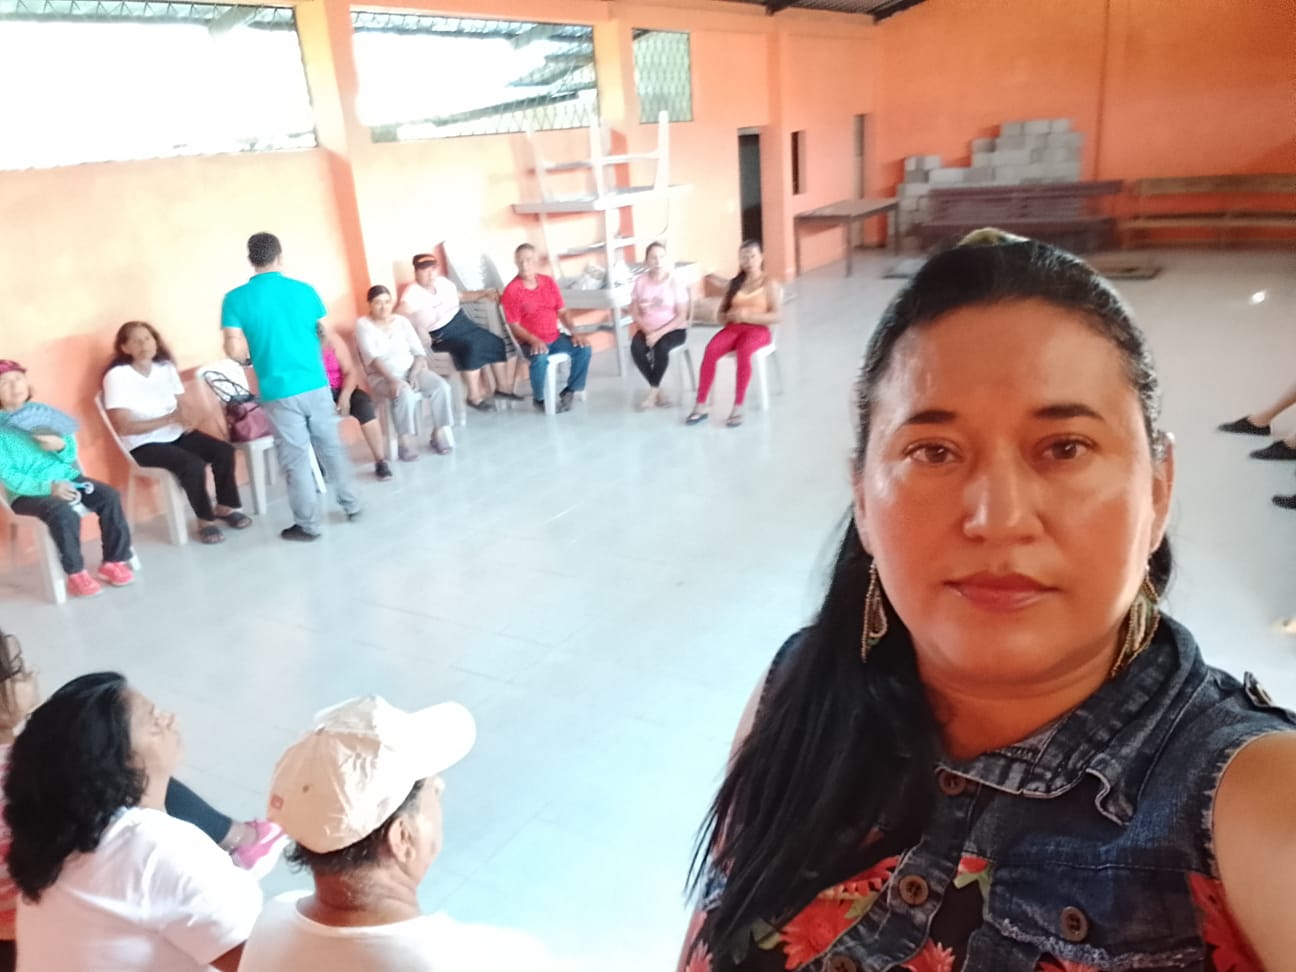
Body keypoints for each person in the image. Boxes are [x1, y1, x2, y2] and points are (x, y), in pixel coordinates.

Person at [678, 230, 1296, 972]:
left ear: (1158, 489)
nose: (997, 518)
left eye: (1064, 447)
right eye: (933, 452)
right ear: (862, 499)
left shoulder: (1247, 800)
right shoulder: (799, 690)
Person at [0, 628, 283, 971]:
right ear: (122, 762)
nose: (172, 719)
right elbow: (263, 963)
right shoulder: (158, 850)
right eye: (155, 721)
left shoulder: (52, 841)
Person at [240, 695, 555, 971]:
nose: (441, 787)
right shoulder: (481, 959)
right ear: (402, 838)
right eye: (432, 788)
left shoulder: (271, 927)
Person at [221, 232, 362, 542]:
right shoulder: (305, 291)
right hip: (315, 383)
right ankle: (351, 505)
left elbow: (232, 346)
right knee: (331, 448)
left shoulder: (235, 299)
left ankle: (308, 525)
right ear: (279, 256)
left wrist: (246, 359)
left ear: (250, 259)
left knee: (295, 460)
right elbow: (323, 335)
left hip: (277, 391)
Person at [102, 321, 253, 544]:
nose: (144, 344)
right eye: (136, 340)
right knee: (192, 464)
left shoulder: (165, 368)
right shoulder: (117, 376)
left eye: (148, 338)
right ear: (125, 347)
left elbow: (181, 405)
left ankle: (225, 506)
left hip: (175, 433)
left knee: (223, 451)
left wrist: (188, 417)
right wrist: (168, 420)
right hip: (143, 443)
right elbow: (124, 426)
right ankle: (205, 520)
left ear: (155, 342)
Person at [0, 360, 133, 597]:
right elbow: (8, 475)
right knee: (62, 512)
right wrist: (48, 487)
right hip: (26, 493)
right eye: (4, 383)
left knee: (109, 496)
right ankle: (76, 573)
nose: (14, 386)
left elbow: (70, 455)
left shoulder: (42, 413)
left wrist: (60, 446)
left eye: (18, 379)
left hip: (68, 478)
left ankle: (114, 560)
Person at [396, 253, 518, 411]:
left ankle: (502, 389)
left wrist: (483, 293)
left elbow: (461, 296)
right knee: (472, 346)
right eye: (425, 270)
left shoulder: (443, 283)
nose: (430, 274)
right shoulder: (412, 293)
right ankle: (474, 397)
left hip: (461, 323)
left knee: (495, 341)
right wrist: (418, 326)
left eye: (432, 269)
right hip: (441, 335)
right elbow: (398, 314)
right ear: (416, 272)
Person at [686, 240, 782, 429]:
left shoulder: (769, 283)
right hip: (733, 328)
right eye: (744, 257)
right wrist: (729, 316)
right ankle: (701, 404)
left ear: (761, 257)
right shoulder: (735, 284)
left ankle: (738, 406)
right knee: (711, 350)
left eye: (752, 256)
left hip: (758, 330)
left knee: (744, 351)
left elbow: (777, 316)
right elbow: (720, 315)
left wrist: (749, 316)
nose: (749, 261)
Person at [355, 285, 455, 459]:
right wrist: (393, 380)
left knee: (442, 387)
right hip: (382, 377)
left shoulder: (401, 322)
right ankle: (404, 440)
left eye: (387, 302)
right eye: (378, 303)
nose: (383, 307)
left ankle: (438, 432)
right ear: (369, 304)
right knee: (404, 393)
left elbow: (419, 353)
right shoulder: (363, 325)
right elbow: (372, 359)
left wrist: (414, 374)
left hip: (411, 370)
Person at [500, 243, 592, 413]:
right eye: (520, 261)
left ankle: (570, 390)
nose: (524, 265)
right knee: (540, 357)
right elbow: (514, 325)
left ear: (535, 261)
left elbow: (562, 311)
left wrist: (575, 332)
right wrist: (533, 340)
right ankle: (539, 398)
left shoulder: (548, 282)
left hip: (555, 337)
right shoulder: (512, 291)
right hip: (529, 342)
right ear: (516, 263)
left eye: (528, 260)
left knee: (584, 348)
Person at [320, 323, 391, 480]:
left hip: (341, 389)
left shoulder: (333, 340)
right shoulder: (298, 345)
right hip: (317, 395)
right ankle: (320, 466)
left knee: (364, 405)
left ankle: (380, 461)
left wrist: (345, 396)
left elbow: (350, 372)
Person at [629, 242, 690, 409]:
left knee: (661, 347)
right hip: (647, 329)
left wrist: (658, 334)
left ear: (667, 259)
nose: (658, 261)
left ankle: (652, 393)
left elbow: (682, 315)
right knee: (636, 348)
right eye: (653, 258)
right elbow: (634, 310)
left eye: (661, 257)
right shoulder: (640, 281)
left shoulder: (675, 282)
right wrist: (647, 331)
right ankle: (658, 390)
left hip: (673, 329)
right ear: (646, 261)